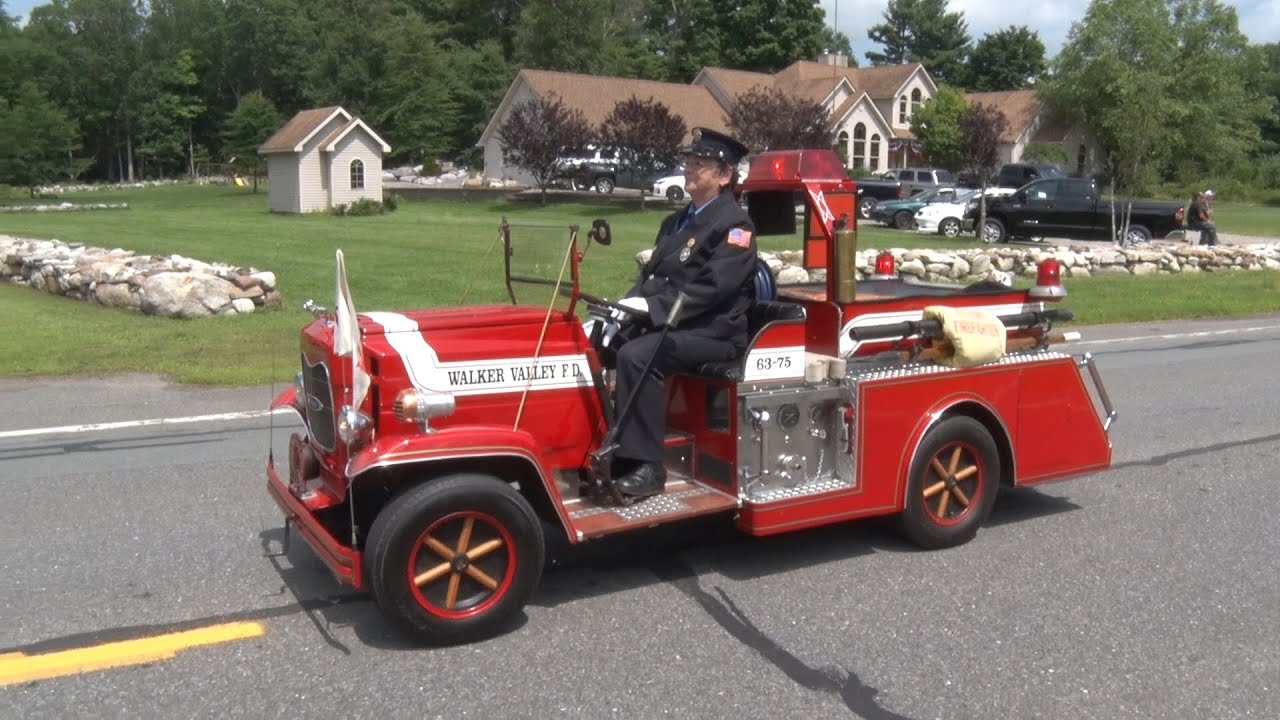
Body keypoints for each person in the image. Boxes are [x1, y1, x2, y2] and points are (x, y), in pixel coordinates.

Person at [605, 127, 758, 499]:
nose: (690, 169)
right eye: (689, 161)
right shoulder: (676, 222)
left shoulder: (735, 225)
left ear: (724, 176)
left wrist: (652, 309)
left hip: (715, 332)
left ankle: (648, 467)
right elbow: (652, 276)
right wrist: (619, 310)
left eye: (700, 164)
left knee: (638, 356)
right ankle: (611, 447)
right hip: (678, 324)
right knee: (600, 344)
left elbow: (713, 288)